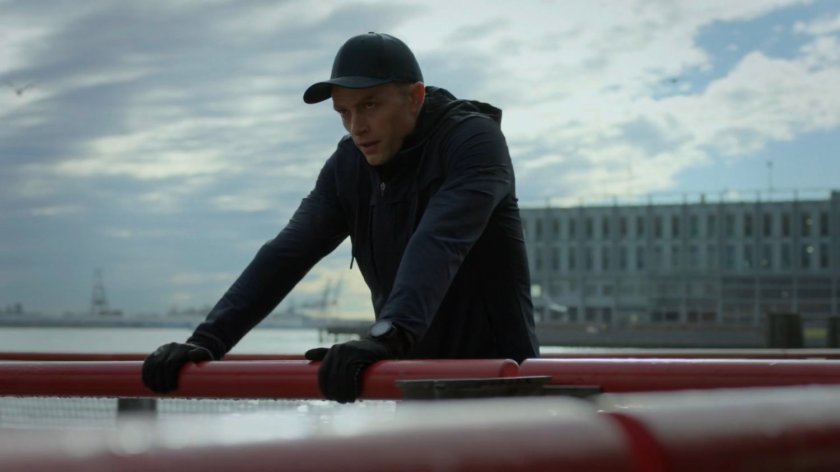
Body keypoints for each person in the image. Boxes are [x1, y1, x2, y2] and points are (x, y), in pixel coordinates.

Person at [142, 32, 539, 403]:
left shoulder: (472, 140)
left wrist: (386, 336)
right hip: (415, 384)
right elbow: (287, 253)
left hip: (502, 387)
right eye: (344, 112)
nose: (356, 126)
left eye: (369, 105)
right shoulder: (349, 163)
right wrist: (207, 342)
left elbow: (439, 239)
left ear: (415, 97)